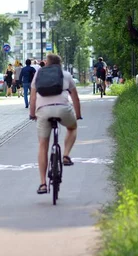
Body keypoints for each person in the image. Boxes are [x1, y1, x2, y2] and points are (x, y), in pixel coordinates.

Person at [29, 54, 82, 195]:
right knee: (72, 127)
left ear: (46, 63)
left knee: (43, 145)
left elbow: (33, 96)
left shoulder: (39, 75)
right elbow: (75, 97)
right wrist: (78, 115)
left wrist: (32, 114)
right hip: (63, 109)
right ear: (60, 64)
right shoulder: (66, 75)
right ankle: (65, 155)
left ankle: (42, 184)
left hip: (43, 111)